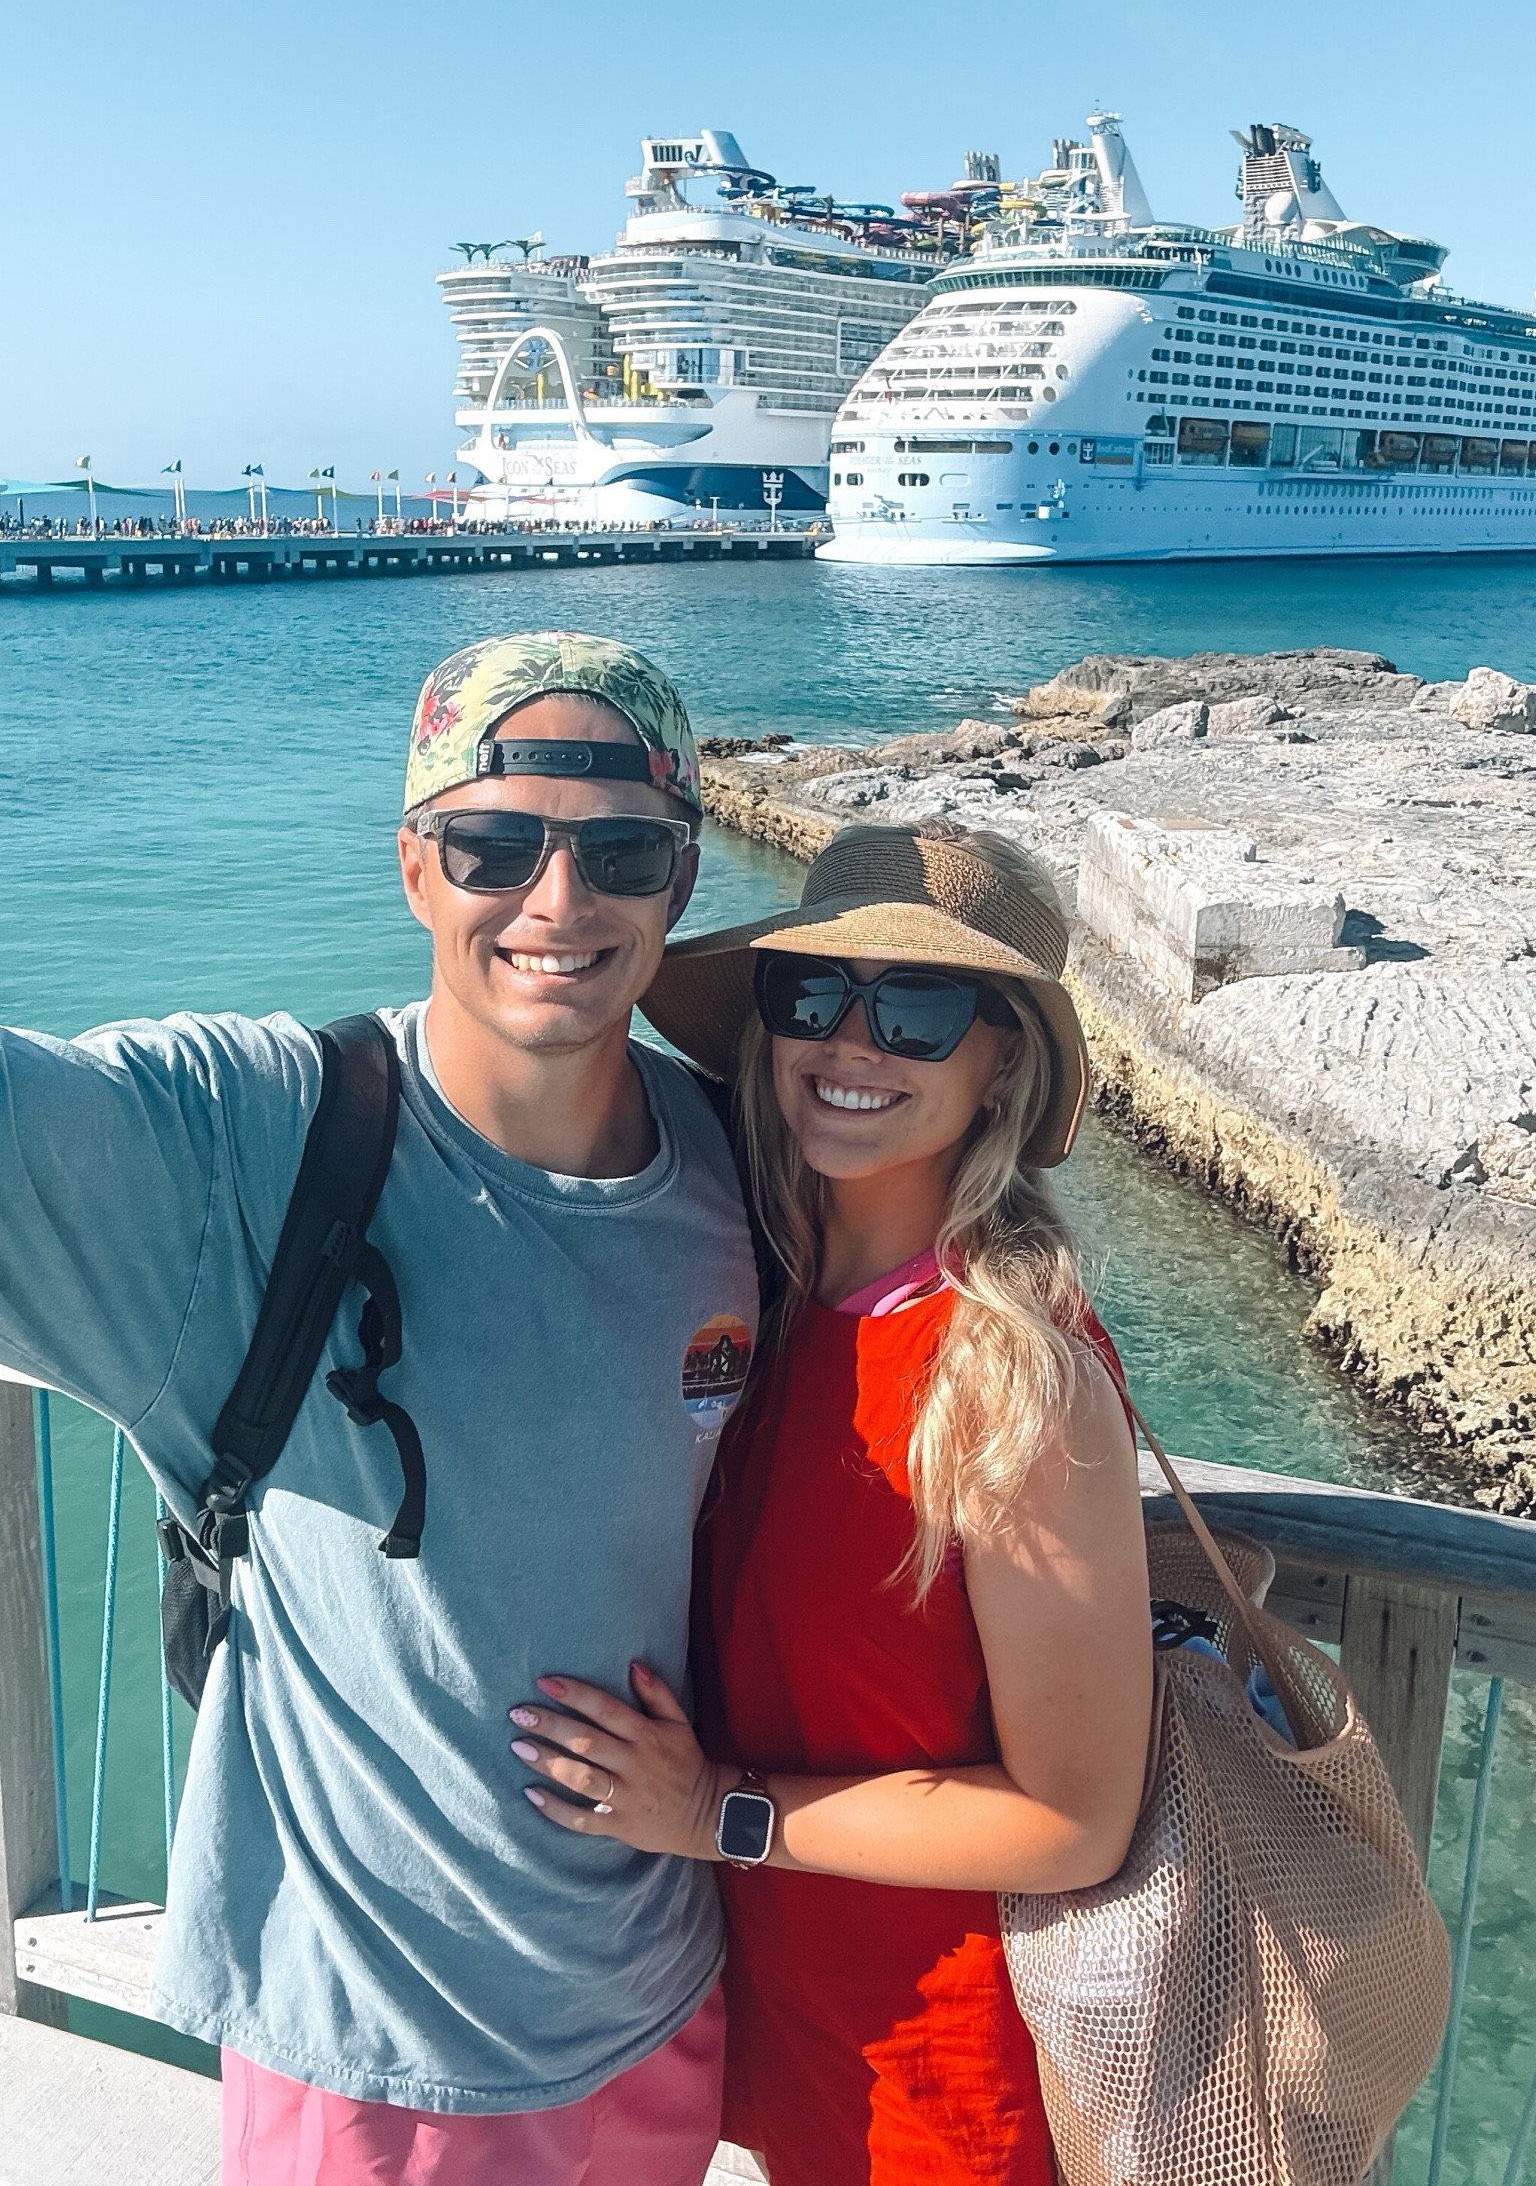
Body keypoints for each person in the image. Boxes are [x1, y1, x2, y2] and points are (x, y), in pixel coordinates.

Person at [0, 631, 760, 2185]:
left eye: (622, 853)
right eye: (495, 846)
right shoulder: (252, 1143)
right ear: (417, 868)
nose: (560, 900)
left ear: (680, 885)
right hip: (380, 2064)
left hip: (665, 2007)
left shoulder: (741, 1161)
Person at [506, 819, 1154, 2185]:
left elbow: (1073, 1820)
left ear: (1002, 1065)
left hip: (946, 2088)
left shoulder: (1009, 1376)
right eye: (813, 994)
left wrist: (715, 1813)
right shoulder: (761, 1296)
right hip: (781, 2033)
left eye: (917, 1010)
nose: (849, 1043)